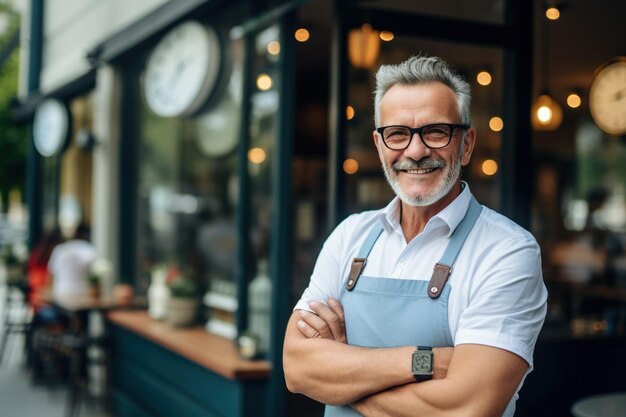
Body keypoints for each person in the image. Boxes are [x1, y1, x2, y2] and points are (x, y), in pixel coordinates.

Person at [283, 55, 547, 417]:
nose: (416, 150)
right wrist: (425, 361)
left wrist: (340, 382)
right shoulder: (350, 235)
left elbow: (467, 409)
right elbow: (297, 368)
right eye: (397, 134)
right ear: (379, 146)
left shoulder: (506, 250)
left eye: (436, 131)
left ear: (467, 144)